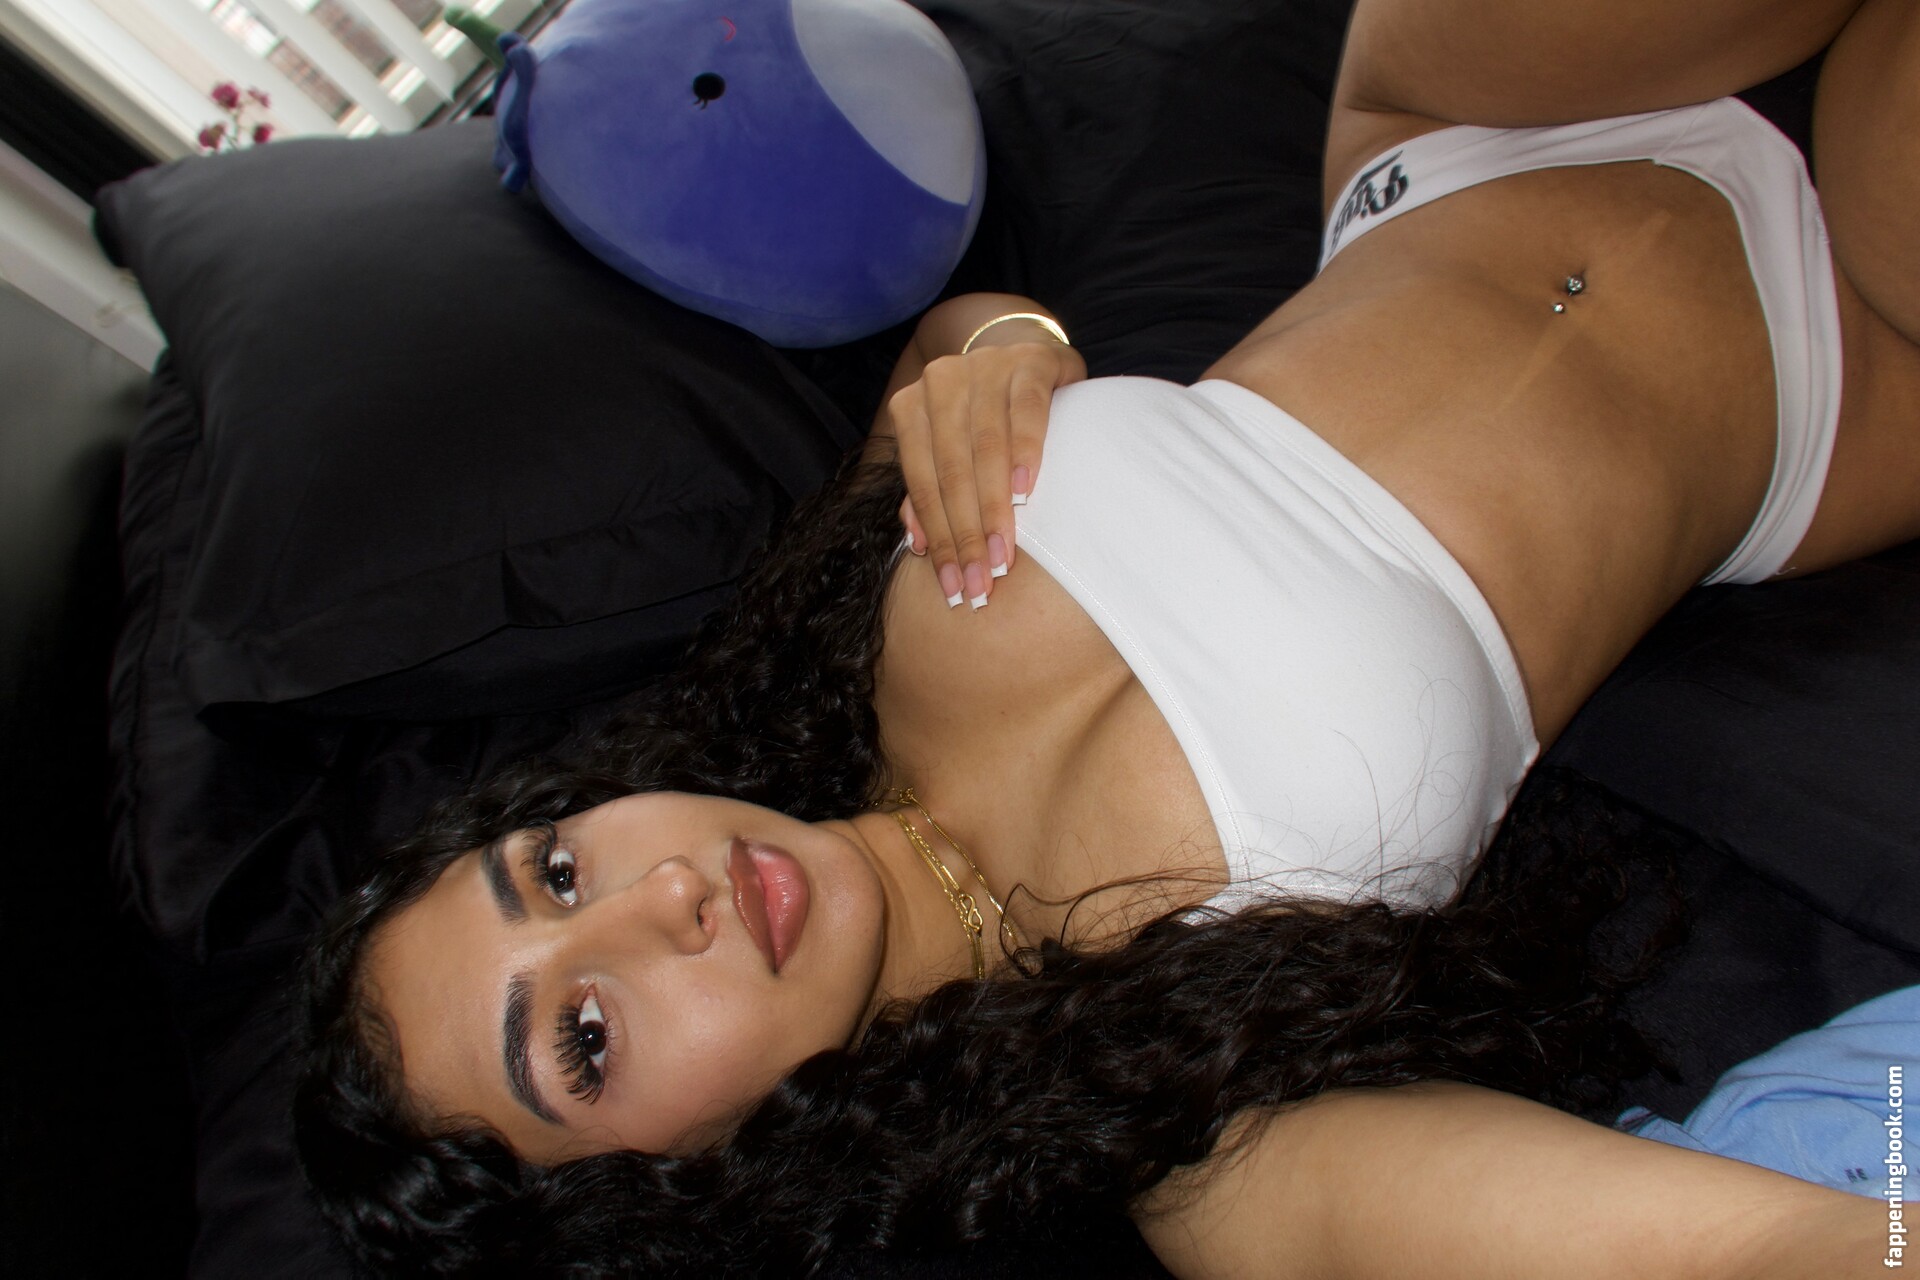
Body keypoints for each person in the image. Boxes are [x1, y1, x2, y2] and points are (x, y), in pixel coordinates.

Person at [295, 0, 1916, 1272]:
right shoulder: (1198, 1130)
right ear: (674, 1191)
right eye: (583, 1038)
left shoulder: (839, 648)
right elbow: (1758, 1254)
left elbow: (948, 342)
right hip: (1829, 368)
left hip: (1459, 140)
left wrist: (1009, 344)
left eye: (555, 870)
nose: (662, 900)